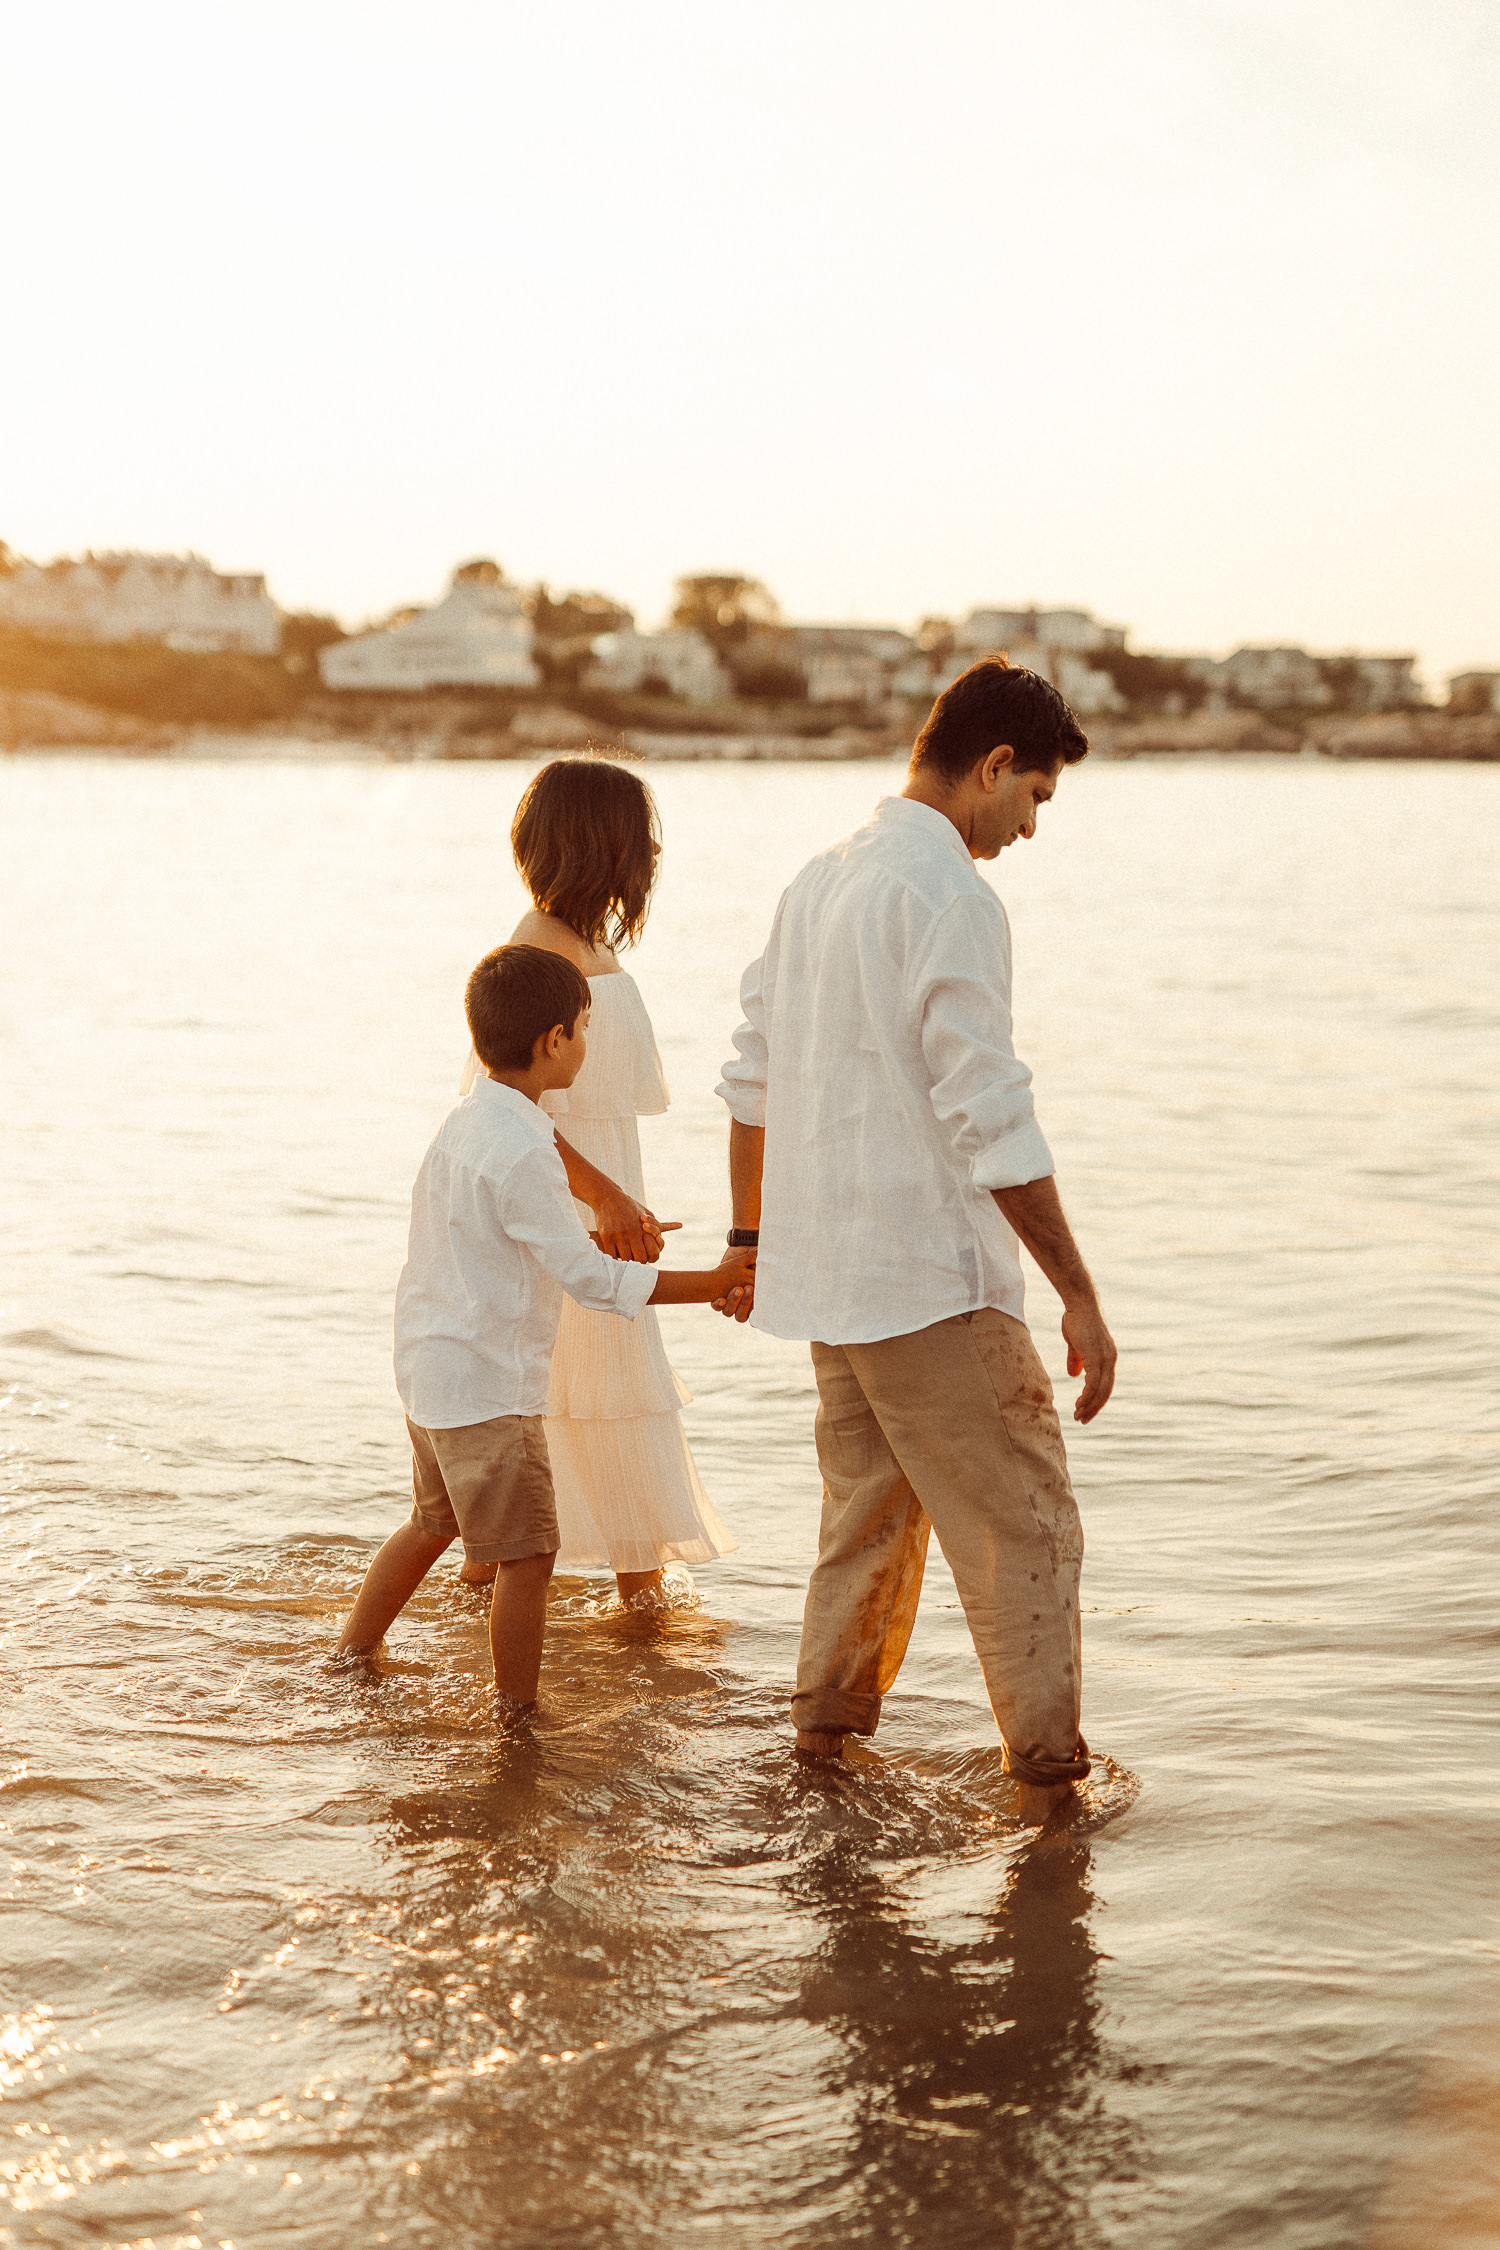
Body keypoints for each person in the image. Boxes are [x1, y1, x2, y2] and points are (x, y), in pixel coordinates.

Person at [716, 659, 1117, 1826]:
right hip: (928, 1283)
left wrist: (751, 1238)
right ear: (993, 766)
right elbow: (989, 1112)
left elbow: (750, 1080)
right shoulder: (948, 897)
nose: (1029, 830)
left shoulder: (818, 880)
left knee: (868, 1526)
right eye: (1034, 798)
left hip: (832, 1286)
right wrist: (1079, 1297)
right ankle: (1052, 1802)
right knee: (1029, 1529)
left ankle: (822, 1772)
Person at [337, 944, 755, 1710]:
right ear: (553, 1042)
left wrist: (598, 1241)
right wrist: (715, 1284)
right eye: (585, 1030)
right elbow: (592, 1286)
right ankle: (516, 1713)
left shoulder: (464, 1125)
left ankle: (350, 1656)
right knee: (530, 1556)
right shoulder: (528, 1148)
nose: (588, 1046)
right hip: (490, 1392)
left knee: (431, 1524)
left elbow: (498, 1239)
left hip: (431, 1376)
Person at [460, 756, 736, 1606]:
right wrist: (604, 1195)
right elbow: (502, 1109)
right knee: (547, 1392)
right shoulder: (533, 949)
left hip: (604, 1202)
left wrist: (619, 1194)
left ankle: (627, 1615)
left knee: (606, 1391)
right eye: (638, 837)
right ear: (600, 845)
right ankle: (522, 1601)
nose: (650, 852)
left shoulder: (588, 944)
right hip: (561, 1213)